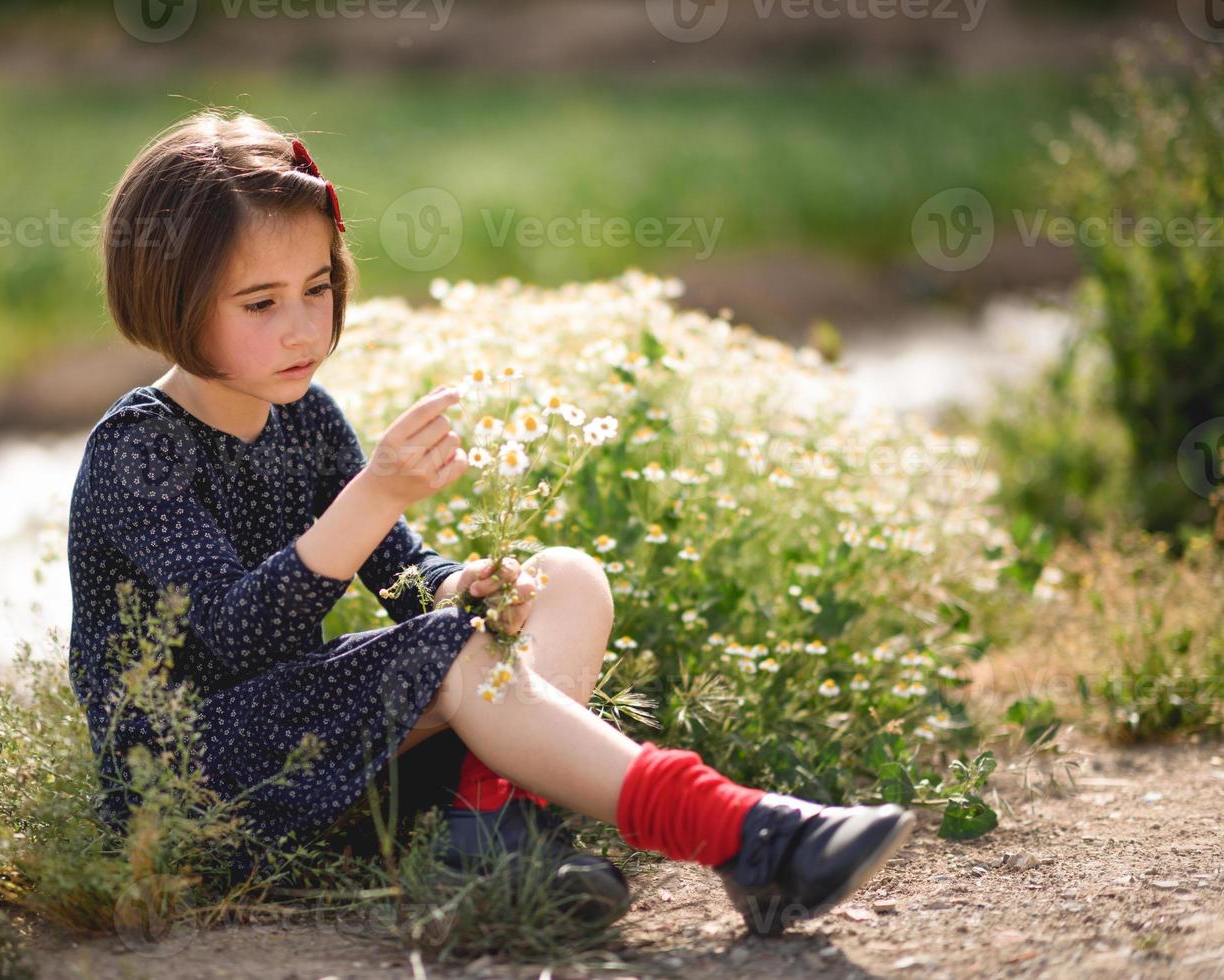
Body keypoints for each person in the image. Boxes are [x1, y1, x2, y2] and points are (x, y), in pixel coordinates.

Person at [66, 108, 915, 937]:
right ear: (171, 300)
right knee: (454, 651)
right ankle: (738, 833)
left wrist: (458, 585)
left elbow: (402, 578)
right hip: (192, 786)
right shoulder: (141, 451)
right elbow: (233, 639)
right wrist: (377, 493)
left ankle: (492, 833)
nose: (302, 326)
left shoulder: (305, 415)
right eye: (259, 304)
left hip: (315, 750)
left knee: (566, 579)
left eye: (317, 288)